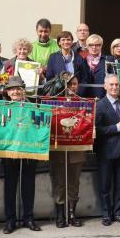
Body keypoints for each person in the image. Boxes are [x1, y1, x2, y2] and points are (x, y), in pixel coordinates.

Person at [1, 76, 42, 234]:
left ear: (23, 90)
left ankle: (28, 218)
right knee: (10, 186)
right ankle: (10, 220)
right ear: (8, 92)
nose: (16, 91)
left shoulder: (34, 107)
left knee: (28, 184)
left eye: (18, 88)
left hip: (29, 150)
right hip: (9, 151)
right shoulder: (3, 108)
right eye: (12, 89)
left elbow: (39, 127)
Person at [50, 74, 89, 228]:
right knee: (60, 183)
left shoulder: (83, 103)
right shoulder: (55, 102)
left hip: (77, 148)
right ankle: (60, 214)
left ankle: (72, 214)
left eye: (75, 84)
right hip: (59, 148)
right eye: (69, 84)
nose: (73, 87)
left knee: (74, 183)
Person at [95, 74, 120, 226]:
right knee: (105, 184)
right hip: (106, 150)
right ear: (105, 86)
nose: (115, 87)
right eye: (112, 85)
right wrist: (116, 127)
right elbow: (97, 130)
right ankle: (106, 214)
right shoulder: (100, 105)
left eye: (117, 85)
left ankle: (118, 212)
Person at [83, 34, 108, 98]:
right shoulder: (81, 59)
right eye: (91, 45)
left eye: (97, 45)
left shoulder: (108, 59)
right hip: (84, 96)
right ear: (87, 46)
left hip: (102, 96)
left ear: (101, 46)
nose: (94, 47)